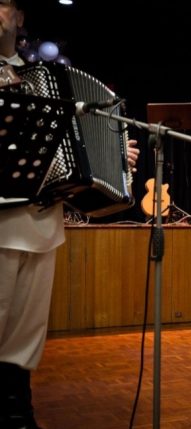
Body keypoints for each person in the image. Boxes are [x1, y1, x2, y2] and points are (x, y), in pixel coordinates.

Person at [0, 1, 139, 427]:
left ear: (20, 17)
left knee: (25, 331)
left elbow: (76, 143)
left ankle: (18, 411)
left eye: (3, 2)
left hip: (41, 220)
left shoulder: (41, 77)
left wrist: (116, 154)